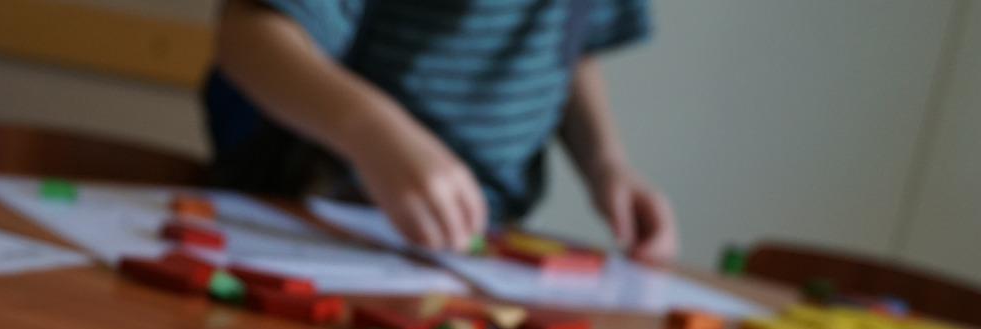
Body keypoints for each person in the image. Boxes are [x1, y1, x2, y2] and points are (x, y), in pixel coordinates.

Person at [207, 0, 678, 263]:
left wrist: (605, 164)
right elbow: (249, 33)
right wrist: (372, 130)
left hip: (486, 241)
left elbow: (571, 50)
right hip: (320, 215)